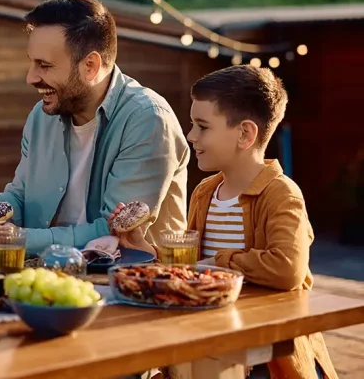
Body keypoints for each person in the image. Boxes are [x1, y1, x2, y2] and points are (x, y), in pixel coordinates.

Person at [0, 0, 190, 257]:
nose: (31, 77)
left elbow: (117, 233)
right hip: (48, 276)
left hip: (131, 279)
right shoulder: (41, 116)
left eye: (44, 65)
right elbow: (22, 201)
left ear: (90, 66)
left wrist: (17, 241)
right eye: (32, 62)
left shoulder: (147, 119)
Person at [120, 65, 335, 379]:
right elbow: (191, 267)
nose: (191, 136)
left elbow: (287, 269)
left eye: (203, 126)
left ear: (245, 134)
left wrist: (218, 264)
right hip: (210, 334)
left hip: (267, 354)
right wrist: (146, 250)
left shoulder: (281, 194)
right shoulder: (205, 192)